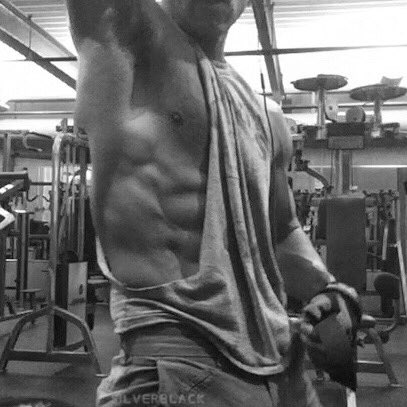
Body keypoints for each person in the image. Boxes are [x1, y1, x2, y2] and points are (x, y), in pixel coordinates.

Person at [66, 1, 361, 406]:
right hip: (178, 361)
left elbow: (282, 232)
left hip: (282, 368)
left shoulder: (269, 116)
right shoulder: (127, 38)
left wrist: (328, 290)